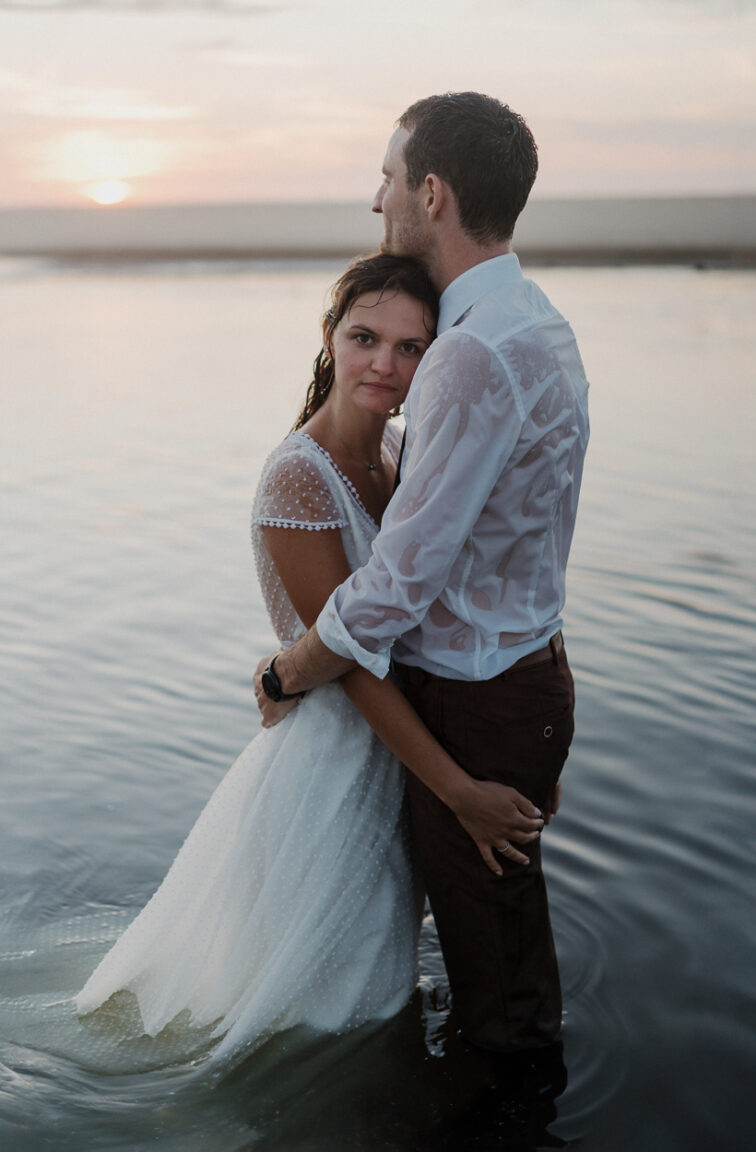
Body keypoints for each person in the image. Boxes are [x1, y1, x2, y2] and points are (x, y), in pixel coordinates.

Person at [74, 253, 544, 1066]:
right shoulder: (299, 478)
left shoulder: (400, 452)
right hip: (329, 776)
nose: (384, 365)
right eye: (365, 338)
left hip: (393, 764)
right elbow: (354, 664)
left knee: (367, 993)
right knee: (316, 1022)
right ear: (329, 336)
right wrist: (461, 792)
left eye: (410, 349)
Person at [255, 93, 591, 1054]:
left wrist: (288, 671)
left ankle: (499, 1113)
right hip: (521, 680)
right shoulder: (537, 323)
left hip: (484, 700)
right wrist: (546, 706)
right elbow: (530, 543)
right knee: (509, 956)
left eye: (390, 178)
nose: (378, 199)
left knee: (497, 998)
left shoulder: (471, 355)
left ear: (431, 192)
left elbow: (398, 584)